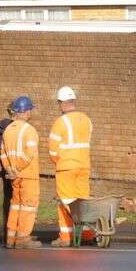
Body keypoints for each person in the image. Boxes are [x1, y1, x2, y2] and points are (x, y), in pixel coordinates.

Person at [49, 86, 93, 247]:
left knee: (65, 202)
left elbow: (53, 151)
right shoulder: (86, 120)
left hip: (66, 167)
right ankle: (87, 234)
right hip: (84, 166)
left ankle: (66, 238)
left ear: (61, 103)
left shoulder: (60, 122)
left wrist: (59, 162)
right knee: (83, 201)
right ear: (73, 101)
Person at [0, 96, 42, 249]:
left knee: (16, 205)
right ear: (25, 111)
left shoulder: (8, 130)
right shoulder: (29, 130)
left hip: (14, 176)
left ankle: (11, 238)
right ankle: (23, 238)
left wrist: (10, 169)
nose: (31, 113)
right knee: (28, 206)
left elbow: (3, 153)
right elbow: (29, 154)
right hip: (27, 174)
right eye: (30, 110)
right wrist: (17, 168)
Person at [0, 103, 14, 247]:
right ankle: (11, 235)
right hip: (12, 171)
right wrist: (9, 169)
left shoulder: (3, 128)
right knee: (13, 202)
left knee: (12, 202)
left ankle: (11, 235)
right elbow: (2, 150)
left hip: (9, 169)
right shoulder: (8, 128)